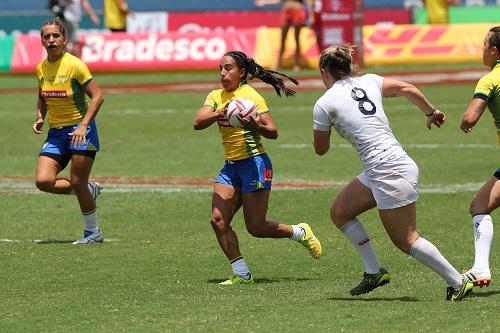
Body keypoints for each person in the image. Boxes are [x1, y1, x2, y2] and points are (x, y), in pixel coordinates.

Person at [312, 44, 473, 301]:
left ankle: (457, 282)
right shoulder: (371, 81)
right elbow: (407, 88)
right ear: (349, 66)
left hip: (388, 170)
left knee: (406, 240)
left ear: (324, 72)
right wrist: (431, 113)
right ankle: (374, 272)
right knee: (340, 212)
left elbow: (320, 150)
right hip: (384, 167)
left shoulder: (324, 103)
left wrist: (329, 125)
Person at [193, 50, 322, 285]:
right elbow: (198, 122)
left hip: (255, 164)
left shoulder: (251, 97)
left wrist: (255, 126)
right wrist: (221, 112)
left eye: (228, 68)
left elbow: (272, 131)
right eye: (220, 69)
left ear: (242, 72)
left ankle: (298, 232)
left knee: (256, 227)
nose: (222, 73)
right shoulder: (215, 96)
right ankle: (242, 274)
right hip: (231, 167)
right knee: (218, 220)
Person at [33, 18, 105, 244]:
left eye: (56, 36)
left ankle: (93, 233)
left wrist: (84, 125)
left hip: (81, 131)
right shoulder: (41, 68)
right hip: (56, 133)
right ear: (42, 41)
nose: (51, 40)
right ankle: (87, 189)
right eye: (47, 36)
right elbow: (42, 95)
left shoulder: (75, 65)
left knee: (76, 181)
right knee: (43, 181)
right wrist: (39, 116)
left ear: (64, 39)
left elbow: (98, 96)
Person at [459, 26, 500, 288]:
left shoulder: (490, 79)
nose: (482, 49)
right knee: (480, 206)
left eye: (485, 44)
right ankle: (480, 269)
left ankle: (481, 269)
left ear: (494, 50)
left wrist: (465, 123)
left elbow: (470, 117)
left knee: (479, 207)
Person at [255, 0, 314, 71]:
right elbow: (279, 1)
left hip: (298, 10)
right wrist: (265, 2)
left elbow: (309, 1)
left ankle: (296, 64)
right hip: (287, 11)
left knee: (297, 38)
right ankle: (278, 63)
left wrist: (311, 16)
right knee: (283, 39)